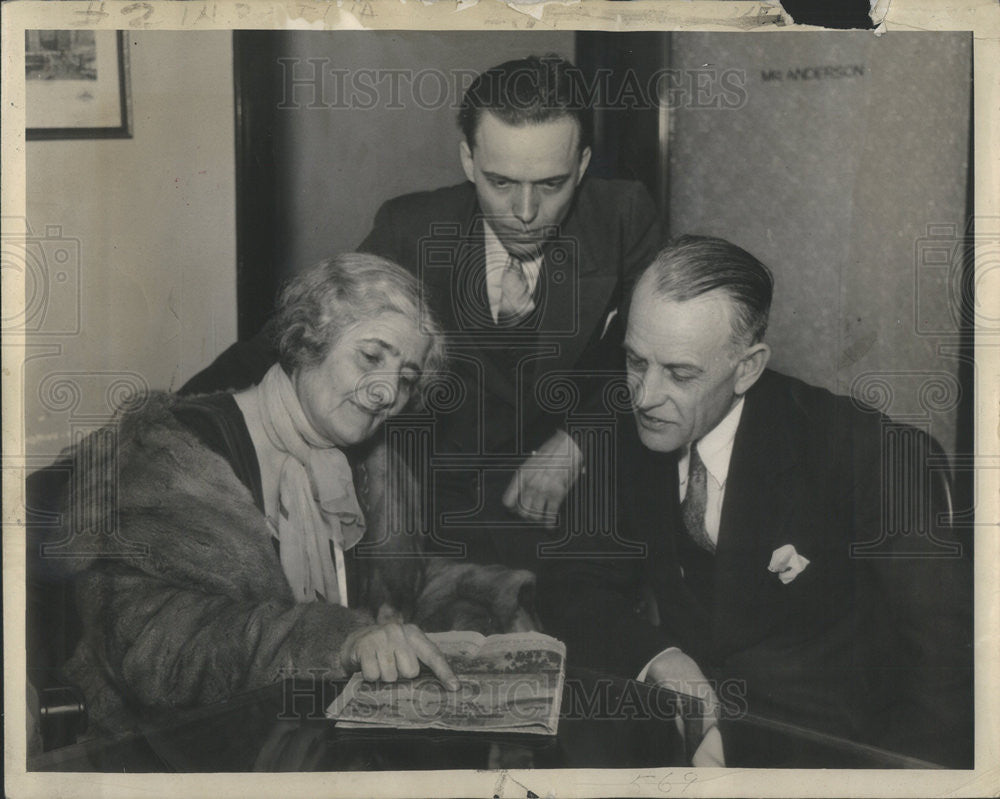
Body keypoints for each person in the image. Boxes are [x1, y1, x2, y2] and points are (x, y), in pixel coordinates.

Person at [181, 54, 663, 569]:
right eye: (500, 182)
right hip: (429, 506)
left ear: (583, 167)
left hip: (566, 501)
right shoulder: (411, 227)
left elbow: (642, 352)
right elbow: (296, 337)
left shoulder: (622, 217)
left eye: (551, 184)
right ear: (468, 161)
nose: (525, 213)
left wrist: (577, 440)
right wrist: (174, 419)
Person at [32, 254, 535, 737]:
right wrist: (341, 640)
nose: (387, 392)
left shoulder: (373, 464)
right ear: (307, 340)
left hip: (307, 735)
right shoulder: (177, 454)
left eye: (406, 378)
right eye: (370, 356)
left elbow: (398, 590)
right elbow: (156, 647)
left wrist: (490, 613)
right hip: (172, 745)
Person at [539, 236, 973, 767]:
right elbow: (571, 580)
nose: (645, 395)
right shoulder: (628, 430)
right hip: (679, 737)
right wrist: (658, 657)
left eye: (679, 373)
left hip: (829, 746)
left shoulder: (861, 450)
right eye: (635, 361)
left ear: (747, 367)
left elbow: (944, 662)